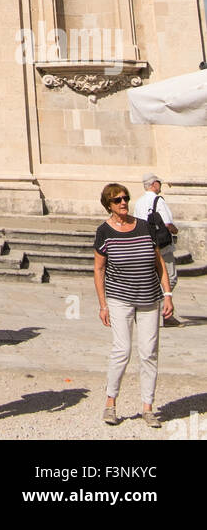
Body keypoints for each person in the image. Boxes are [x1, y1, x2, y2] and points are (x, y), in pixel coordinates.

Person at [94, 182, 174, 427]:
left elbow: (159, 262)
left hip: (149, 296)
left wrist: (168, 294)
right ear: (108, 204)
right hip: (120, 298)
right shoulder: (104, 231)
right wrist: (103, 304)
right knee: (122, 350)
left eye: (125, 198)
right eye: (117, 199)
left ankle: (148, 407)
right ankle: (110, 403)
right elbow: (99, 269)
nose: (123, 202)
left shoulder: (144, 227)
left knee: (149, 352)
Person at [133, 172, 179, 322]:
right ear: (154, 184)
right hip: (162, 245)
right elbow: (167, 223)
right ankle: (163, 308)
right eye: (159, 182)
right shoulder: (158, 200)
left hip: (144, 244)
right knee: (170, 277)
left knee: (150, 277)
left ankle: (152, 308)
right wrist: (175, 231)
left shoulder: (139, 202)